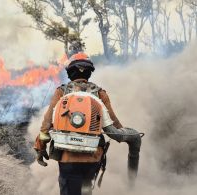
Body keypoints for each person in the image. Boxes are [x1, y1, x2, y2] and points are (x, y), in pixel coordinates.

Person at [34, 52, 142, 195]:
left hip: (67, 158)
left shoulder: (61, 92)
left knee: (68, 189)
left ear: (70, 73)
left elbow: (47, 124)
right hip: (93, 157)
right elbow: (114, 125)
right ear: (89, 73)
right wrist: (128, 135)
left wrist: (40, 148)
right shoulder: (100, 93)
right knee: (86, 190)